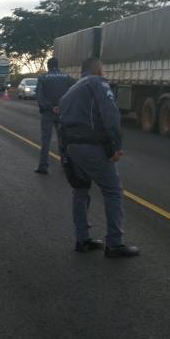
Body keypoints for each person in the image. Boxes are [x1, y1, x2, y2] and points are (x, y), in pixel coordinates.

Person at [59, 58, 139, 257]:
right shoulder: (97, 83)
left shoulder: (71, 91)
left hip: (71, 147)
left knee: (80, 191)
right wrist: (117, 145)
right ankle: (114, 244)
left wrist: (65, 154)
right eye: (103, 69)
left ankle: (82, 239)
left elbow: (60, 121)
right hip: (91, 146)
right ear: (98, 70)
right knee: (112, 190)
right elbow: (111, 114)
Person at [35, 57, 76, 174]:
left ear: (48, 66)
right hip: (62, 112)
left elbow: (40, 96)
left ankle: (43, 166)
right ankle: (66, 164)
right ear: (58, 66)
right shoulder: (67, 77)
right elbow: (74, 92)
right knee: (63, 139)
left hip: (48, 113)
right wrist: (63, 106)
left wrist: (51, 107)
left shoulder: (43, 78)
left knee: (46, 140)